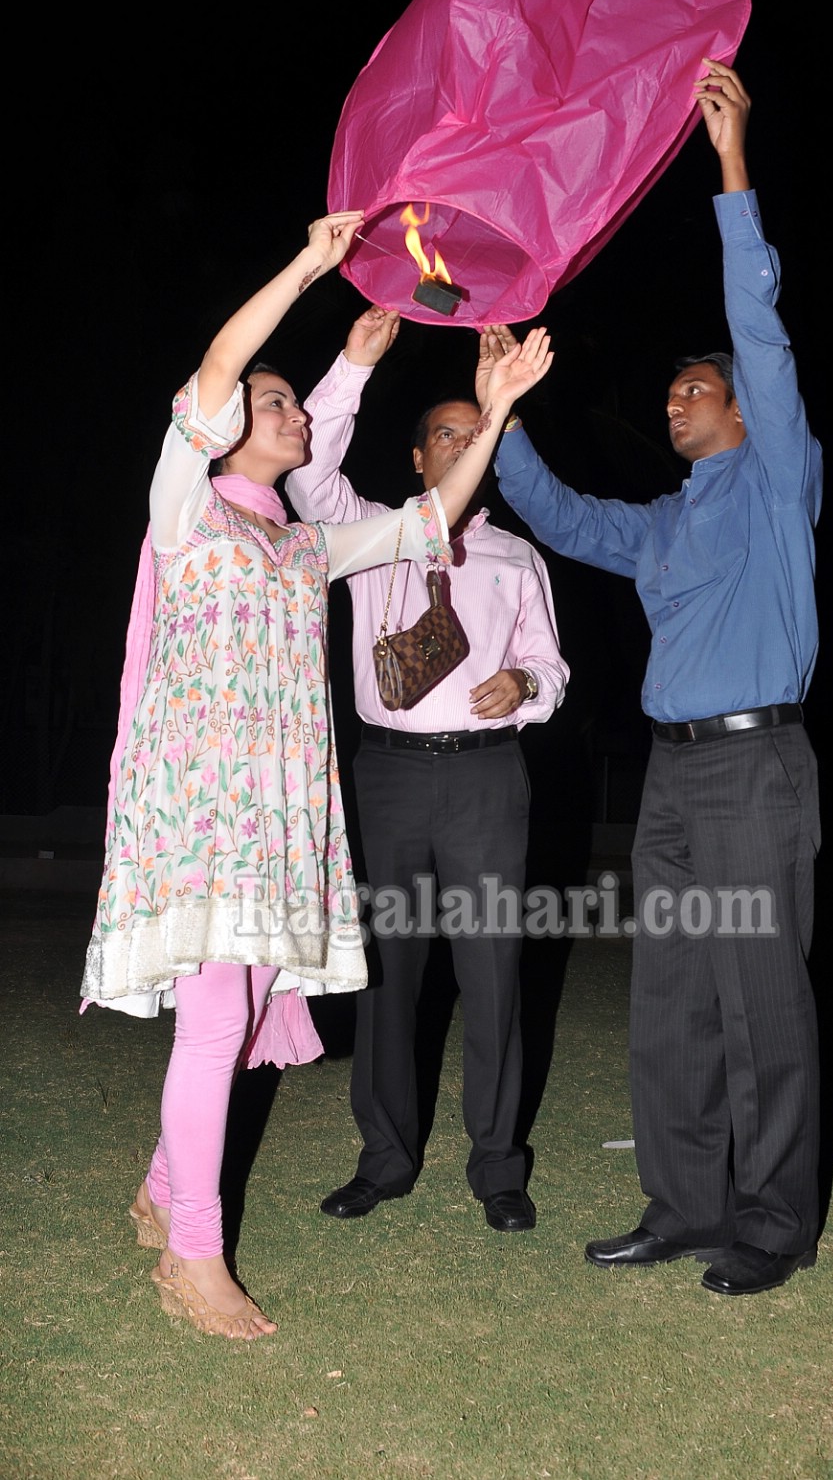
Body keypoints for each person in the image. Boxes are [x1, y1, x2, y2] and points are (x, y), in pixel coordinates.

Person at [81, 212, 553, 1339]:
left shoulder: (301, 543)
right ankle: (193, 1248)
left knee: (239, 1009)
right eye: (282, 403)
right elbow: (218, 368)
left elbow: (432, 518)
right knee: (212, 1021)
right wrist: (306, 263)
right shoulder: (188, 506)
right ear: (235, 423)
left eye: (298, 403)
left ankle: (160, 1184)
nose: (298, 416)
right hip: (200, 803)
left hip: (279, 813)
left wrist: (495, 414)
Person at [493, 60, 823, 1295]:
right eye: (674, 390)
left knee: (762, 1003)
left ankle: (771, 1223)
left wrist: (732, 172)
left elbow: (762, 337)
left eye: (696, 391)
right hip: (677, 784)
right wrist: (506, 422)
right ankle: (682, 1206)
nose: (677, 401)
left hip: (756, 765)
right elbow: (570, 521)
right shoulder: (668, 522)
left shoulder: (779, 481)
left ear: (740, 412)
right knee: (674, 1000)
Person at [286, 312, 569, 1234]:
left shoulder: (514, 556)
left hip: (488, 780)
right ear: (416, 460)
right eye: (443, 434)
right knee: (388, 974)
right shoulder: (369, 531)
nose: (457, 443)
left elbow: (552, 667)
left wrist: (524, 682)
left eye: (469, 429)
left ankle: (497, 1167)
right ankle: (384, 1158)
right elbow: (306, 476)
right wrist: (353, 364)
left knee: (492, 973)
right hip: (392, 780)